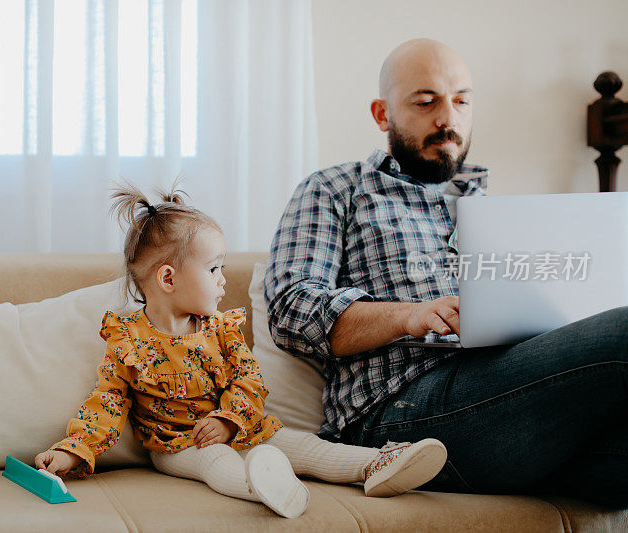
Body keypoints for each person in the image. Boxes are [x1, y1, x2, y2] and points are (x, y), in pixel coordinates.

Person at [264, 37, 628, 507]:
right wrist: (407, 316)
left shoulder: (497, 212)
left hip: (514, 399)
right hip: (397, 411)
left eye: (461, 101)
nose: (448, 119)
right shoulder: (336, 189)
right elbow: (291, 310)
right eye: (426, 101)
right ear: (382, 114)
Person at [35, 181, 448, 518]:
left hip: (241, 427)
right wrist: (75, 450)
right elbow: (106, 402)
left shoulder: (222, 330)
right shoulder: (128, 341)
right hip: (180, 446)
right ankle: (270, 487)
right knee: (217, 463)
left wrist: (231, 419)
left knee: (302, 445)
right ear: (167, 278)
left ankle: (377, 464)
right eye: (213, 268)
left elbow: (249, 380)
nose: (221, 280)